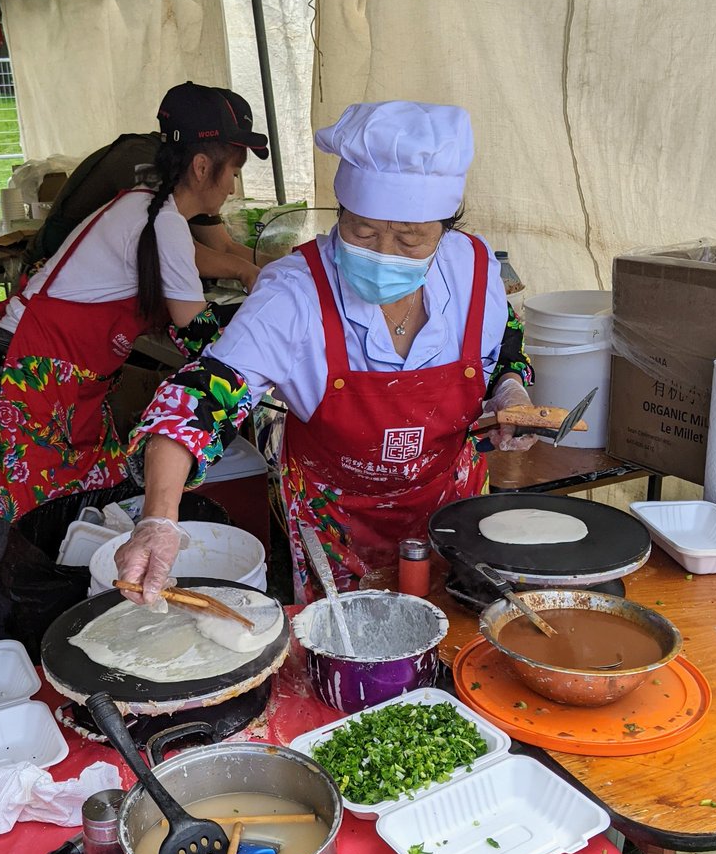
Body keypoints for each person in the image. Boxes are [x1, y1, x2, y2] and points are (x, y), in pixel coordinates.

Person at [114, 100, 536, 604]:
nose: (384, 252)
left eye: (410, 239)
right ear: (341, 212)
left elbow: (504, 341)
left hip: (453, 513)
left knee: (459, 634)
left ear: (445, 229)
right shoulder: (295, 292)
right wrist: (159, 517)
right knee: (348, 654)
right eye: (363, 231)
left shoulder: (475, 267)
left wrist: (509, 387)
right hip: (335, 528)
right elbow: (197, 403)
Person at [0, 81, 269, 643]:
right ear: (203, 166)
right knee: (14, 531)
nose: (233, 185)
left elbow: (202, 262)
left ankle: (69, 630)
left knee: (82, 514)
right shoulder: (156, 220)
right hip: (29, 377)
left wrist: (252, 274)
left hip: (63, 382)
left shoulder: (148, 210)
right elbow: (199, 338)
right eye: (233, 170)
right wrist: (267, 343)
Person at [24, 89, 269, 291]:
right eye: (232, 170)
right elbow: (170, 247)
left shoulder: (189, 178)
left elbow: (222, 246)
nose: (231, 188)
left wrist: (288, 266)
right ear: (203, 161)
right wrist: (241, 269)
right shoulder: (143, 164)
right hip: (52, 280)